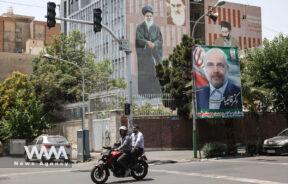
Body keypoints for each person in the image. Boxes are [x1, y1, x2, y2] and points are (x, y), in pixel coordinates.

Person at [136, 5, 163, 94]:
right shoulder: (140, 27)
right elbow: (138, 39)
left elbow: (160, 39)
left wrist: (154, 44)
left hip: (155, 54)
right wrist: (147, 42)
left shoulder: (156, 27)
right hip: (144, 56)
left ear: (152, 16)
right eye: (147, 16)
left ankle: (157, 91)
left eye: (150, 16)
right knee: (146, 74)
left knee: (157, 72)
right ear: (144, 16)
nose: (149, 17)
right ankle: (145, 92)